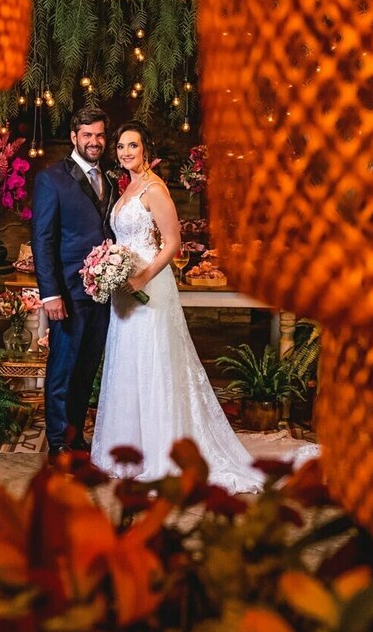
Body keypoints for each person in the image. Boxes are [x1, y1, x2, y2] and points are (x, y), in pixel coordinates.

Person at [91, 122, 316, 492]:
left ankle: (162, 451)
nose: (125, 152)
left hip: (149, 286)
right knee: (128, 361)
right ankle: (129, 448)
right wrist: (110, 269)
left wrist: (143, 277)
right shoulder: (127, 188)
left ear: (147, 149)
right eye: (120, 146)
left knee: (154, 362)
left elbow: (173, 242)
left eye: (133, 145)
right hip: (125, 290)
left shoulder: (154, 187)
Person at [31, 107, 116, 457]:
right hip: (66, 292)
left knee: (85, 371)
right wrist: (50, 294)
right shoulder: (52, 179)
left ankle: (75, 436)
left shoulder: (109, 180)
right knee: (63, 372)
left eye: (99, 136)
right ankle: (57, 443)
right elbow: (42, 239)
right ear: (73, 137)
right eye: (87, 135)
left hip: (102, 294)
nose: (94, 142)